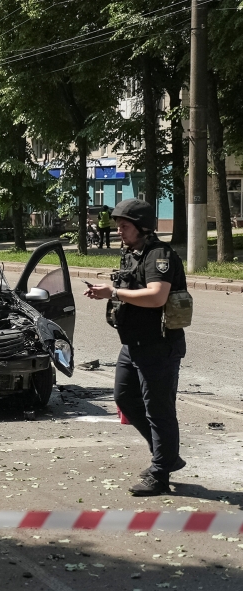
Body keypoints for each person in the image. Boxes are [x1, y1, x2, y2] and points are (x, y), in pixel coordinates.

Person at [83, 199, 187, 496]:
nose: (119, 231)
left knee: (159, 409)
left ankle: (160, 472)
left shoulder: (158, 256)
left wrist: (113, 291)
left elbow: (156, 297)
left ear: (142, 227)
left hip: (158, 344)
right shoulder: (133, 253)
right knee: (125, 398)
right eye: (118, 225)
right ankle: (166, 455)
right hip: (133, 343)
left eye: (124, 225)